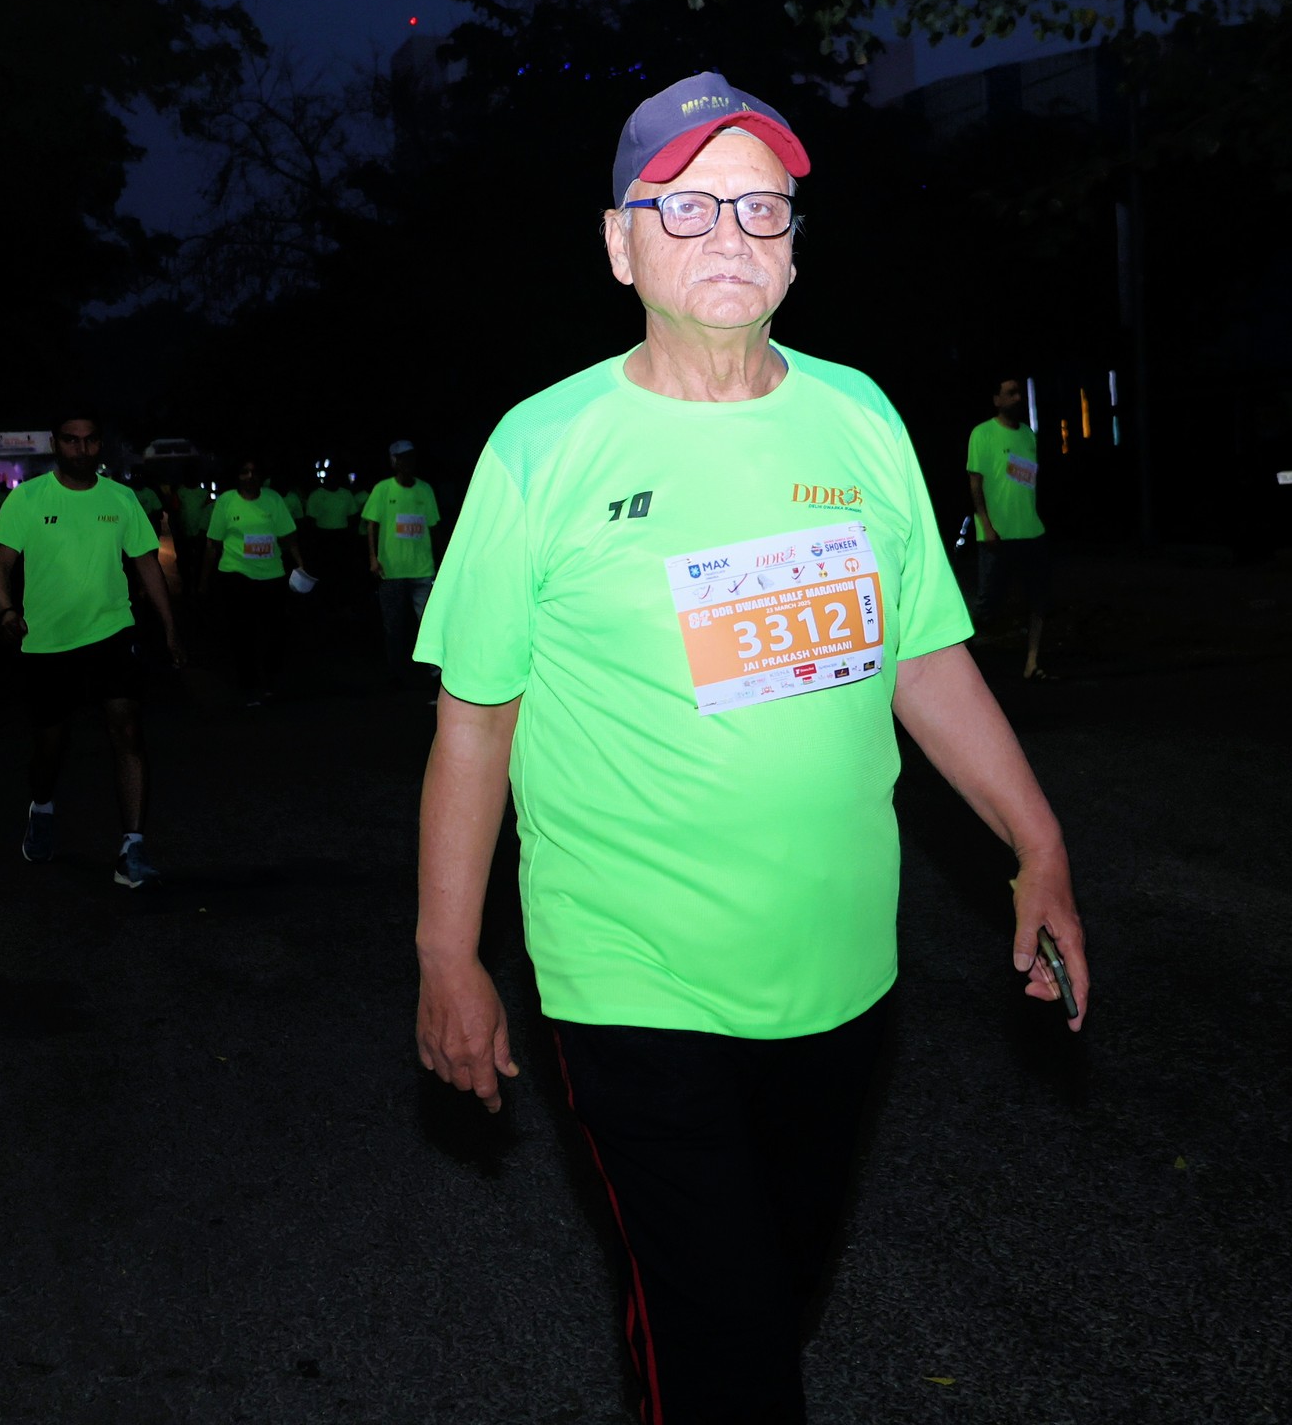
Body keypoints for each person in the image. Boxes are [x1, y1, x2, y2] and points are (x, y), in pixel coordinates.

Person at [412, 71, 1088, 1423]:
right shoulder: (542, 450)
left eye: (762, 207)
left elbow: (920, 658)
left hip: (842, 972)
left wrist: (1039, 842)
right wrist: (446, 954)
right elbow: (477, 722)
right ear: (620, 245)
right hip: (632, 977)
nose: (729, 233)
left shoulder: (859, 418)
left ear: (794, 244)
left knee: (773, 1289)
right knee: (729, 1352)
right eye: (687, 205)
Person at [0, 414, 181, 888]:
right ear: (56, 444)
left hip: (112, 633)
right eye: (71, 441)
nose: (81, 449)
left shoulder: (121, 498)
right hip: (48, 644)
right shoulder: (27, 498)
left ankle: (132, 848)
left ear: (100, 445)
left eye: (90, 441)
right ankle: (42, 807)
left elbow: (146, 564)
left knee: (128, 729)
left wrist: (171, 627)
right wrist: (6, 610)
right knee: (50, 745)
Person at [965, 376, 1055, 681]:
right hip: (997, 536)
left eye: (1019, 393)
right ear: (997, 399)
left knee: (1038, 599)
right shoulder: (982, 434)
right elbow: (975, 483)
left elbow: (1025, 481)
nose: (1017, 398)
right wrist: (986, 525)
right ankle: (965, 663)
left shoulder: (1028, 435)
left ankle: (1032, 663)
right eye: (1011, 393)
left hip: (1031, 532)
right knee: (987, 606)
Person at [200, 457, 301, 708]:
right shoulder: (226, 501)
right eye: (244, 472)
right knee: (241, 632)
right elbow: (213, 543)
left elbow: (288, 536)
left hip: (271, 574)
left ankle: (271, 676)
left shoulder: (273, 499)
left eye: (254, 472)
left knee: (276, 630)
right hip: (236, 574)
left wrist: (301, 565)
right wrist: (203, 580)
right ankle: (248, 682)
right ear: (237, 476)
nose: (249, 477)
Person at [361, 439, 442, 689]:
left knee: (429, 622)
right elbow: (371, 524)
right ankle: (395, 672)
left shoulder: (425, 490)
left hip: (422, 569)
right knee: (393, 625)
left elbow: (434, 527)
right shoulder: (382, 489)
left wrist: (439, 561)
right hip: (391, 570)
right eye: (403, 458)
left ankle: (436, 674)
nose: (408, 462)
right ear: (393, 461)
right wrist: (373, 558)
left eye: (411, 457)